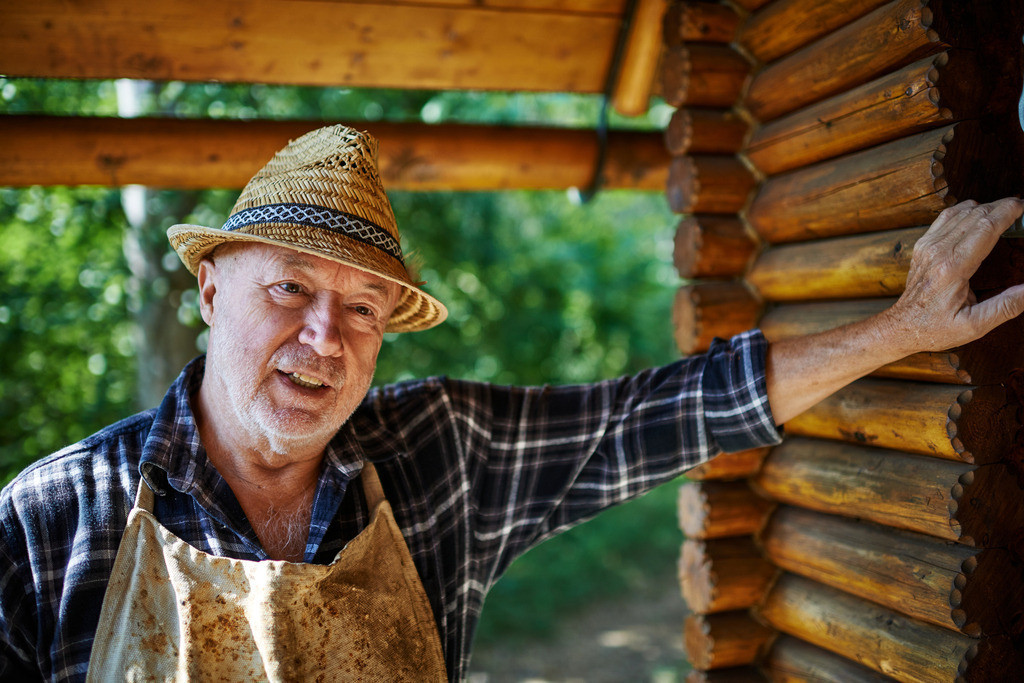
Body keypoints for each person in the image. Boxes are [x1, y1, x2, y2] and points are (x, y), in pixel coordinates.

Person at [1, 125, 1022, 682]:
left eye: (363, 306)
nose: (326, 337)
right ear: (212, 288)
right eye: (291, 289)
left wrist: (900, 328)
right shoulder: (53, 517)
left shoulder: (441, 450)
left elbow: (669, 409)